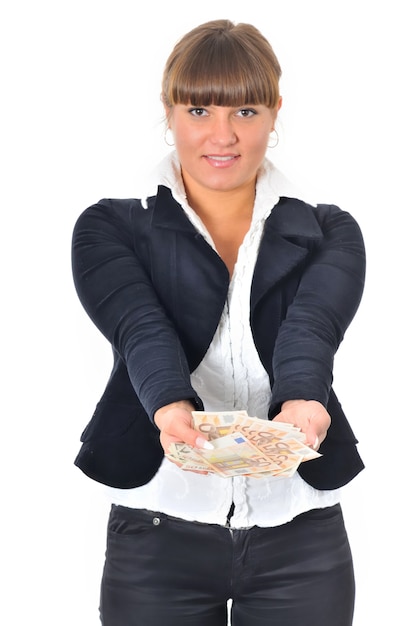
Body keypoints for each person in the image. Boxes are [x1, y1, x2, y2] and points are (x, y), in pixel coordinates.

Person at [72, 19, 366, 626]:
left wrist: (303, 399)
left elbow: (310, 328)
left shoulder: (331, 231)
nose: (222, 136)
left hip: (300, 535)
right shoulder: (109, 228)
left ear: (275, 111)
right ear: (169, 109)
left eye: (246, 111)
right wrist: (168, 406)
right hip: (157, 530)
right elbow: (141, 328)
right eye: (199, 109)